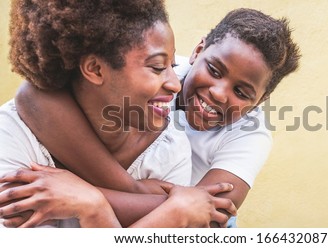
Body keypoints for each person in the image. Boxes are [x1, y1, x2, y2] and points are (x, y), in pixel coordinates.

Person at [2, 8, 300, 227]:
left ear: (260, 101)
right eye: (215, 71)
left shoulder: (249, 136)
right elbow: (33, 95)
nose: (220, 93)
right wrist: (135, 192)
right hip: (158, 200)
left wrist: (89, 196)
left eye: (242, 91)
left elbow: (206, 217)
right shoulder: (158, 71)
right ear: (197, 52)